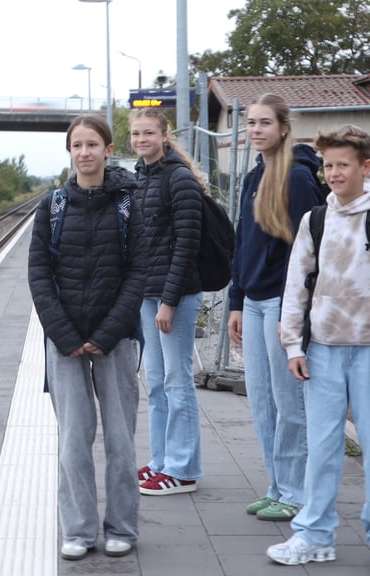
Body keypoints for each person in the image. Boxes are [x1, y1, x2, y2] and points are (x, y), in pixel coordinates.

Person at [267, 125, 370, 574]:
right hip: (323, 352)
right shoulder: (316, 220)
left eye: (342, 165)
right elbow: (296, 286)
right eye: (328, 165)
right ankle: (314, 533)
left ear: (365, 167)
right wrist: (293, 344)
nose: (333, 173)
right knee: (323, 447)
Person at [28, 114, 147, 561]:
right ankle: (77, 530)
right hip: (65, 343)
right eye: (77, 145)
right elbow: (39, 273)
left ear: (108, 149)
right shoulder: (52, 206)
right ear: (70, 152)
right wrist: (64, 333)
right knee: (73, 440)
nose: (85, 152)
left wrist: (106, 332)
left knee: (120, 439)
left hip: (115, 340)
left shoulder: (129, 204)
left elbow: (138, 273)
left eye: (92, 144)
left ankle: (122, 527)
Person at [226, 93, 325, 521]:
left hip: (281, 304)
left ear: (284, 128)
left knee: (290, 404)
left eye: (264, 123)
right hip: (251, 302)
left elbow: (307, 250)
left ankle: (298, 492)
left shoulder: (299, 178)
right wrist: (234, 300)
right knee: (262, 403)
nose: (256, 130)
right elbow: (241, 242)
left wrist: (292, 308)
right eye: (250, 123)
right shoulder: (254, 176)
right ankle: (277, 485)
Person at [129, 107, 204, 496]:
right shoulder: (140, 178)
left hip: (175, 297)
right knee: (155, 383)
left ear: (164, 135)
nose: (141, 140)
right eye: (136, 134)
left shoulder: (179, 179)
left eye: (148, 133)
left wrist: (169, 301)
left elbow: (187, 245)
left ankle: (184, 469)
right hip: (147, 295)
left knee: (178, 382)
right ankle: (160, 461)